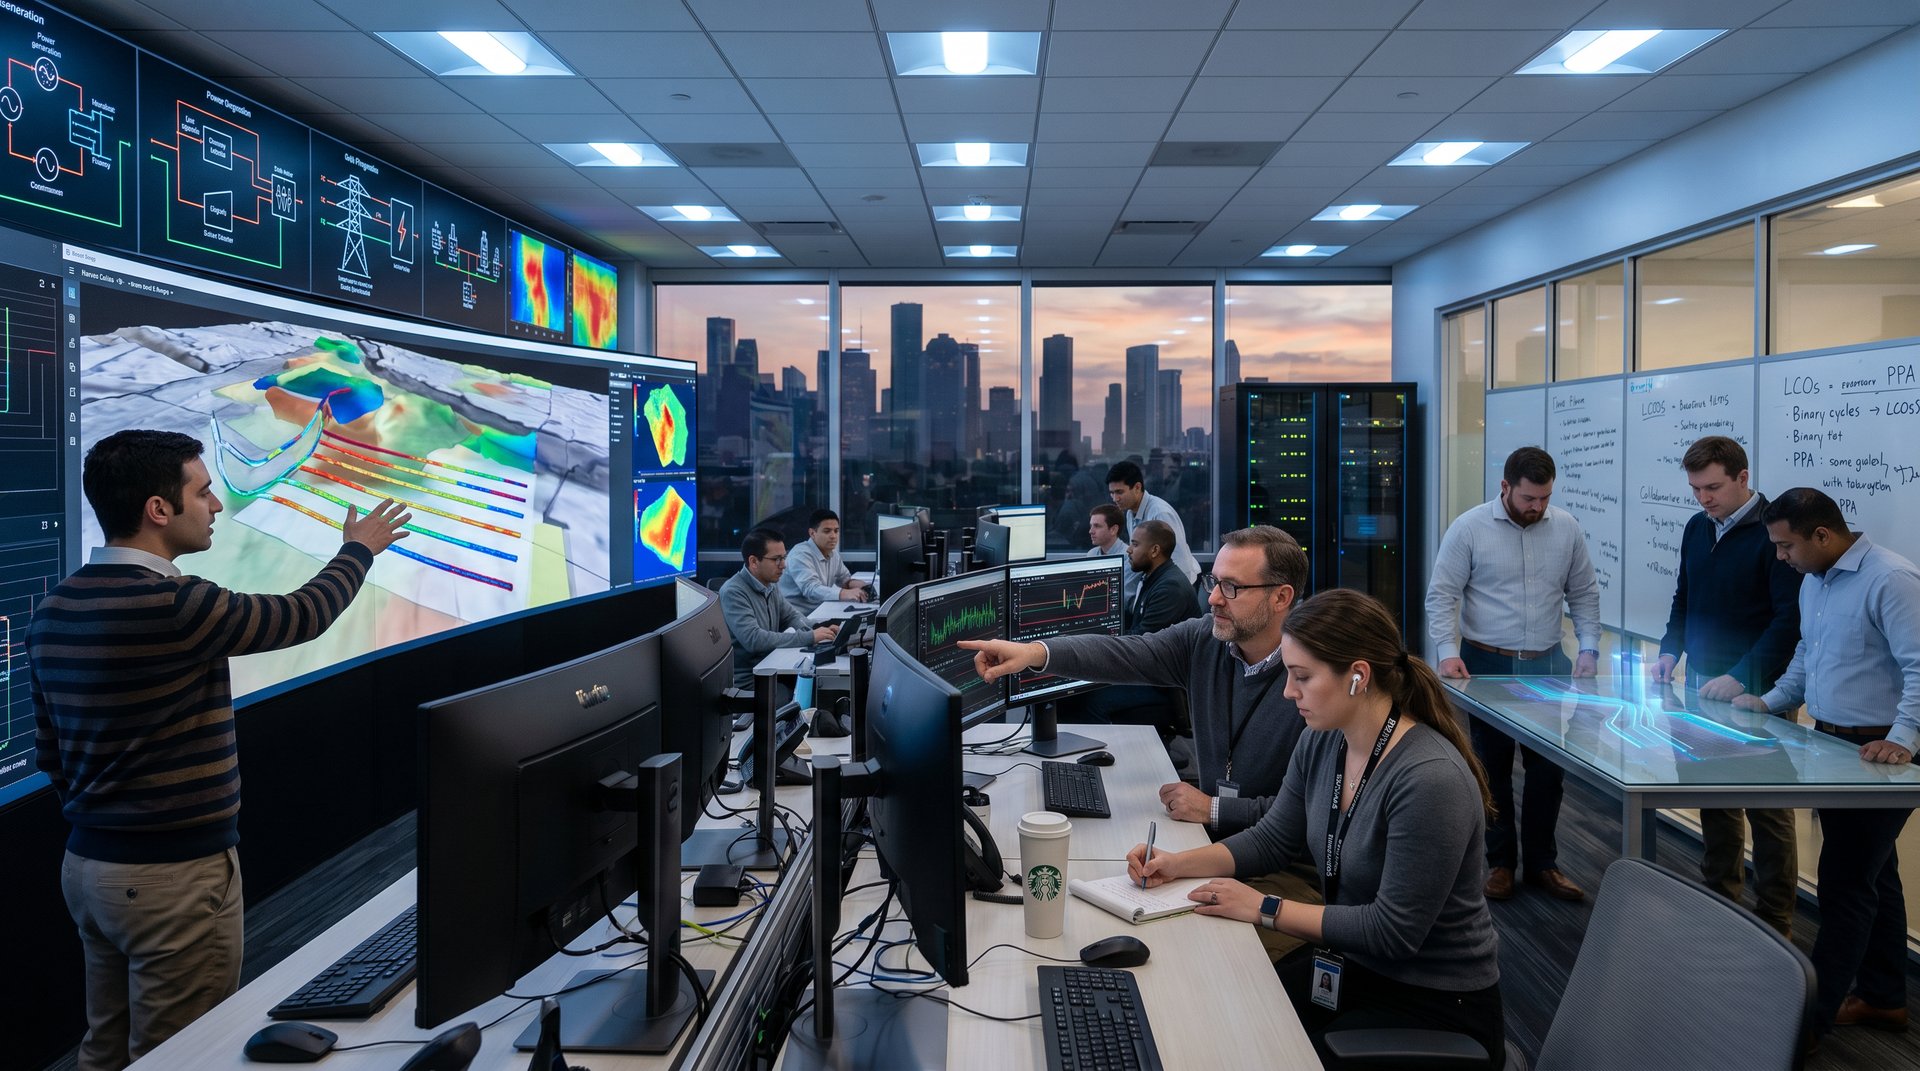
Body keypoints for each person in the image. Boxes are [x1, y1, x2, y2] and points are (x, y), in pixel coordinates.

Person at [29, 430, 411, 1071]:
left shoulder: (54, 608)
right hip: (173, 879)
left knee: (104, 1048)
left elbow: (51, 756)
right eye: (203, 492)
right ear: (158, 509)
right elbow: (302, 615)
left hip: (89, 870)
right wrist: (358, 550)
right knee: (181, 1055)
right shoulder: (175, 604)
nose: (217, 505)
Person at [1128, 589, 1504, 1069]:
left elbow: (1393, 932)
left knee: (1252, 1047)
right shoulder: (1322, 741)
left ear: (1358, 677)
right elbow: (1274, 839)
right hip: (1354, 964)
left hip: (1430, 1004)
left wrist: (1262, 907)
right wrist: (1175, 865)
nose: (1289, 692)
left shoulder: (1429, 778)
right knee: (1218, 1007)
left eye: (1302, 677)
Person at [1732, 487, 1920, 1038]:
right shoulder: (1815, 579)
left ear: (1822, 534)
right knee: (1873, 875)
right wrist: (1769, 701)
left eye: (1787, 546)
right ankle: (1884, 998)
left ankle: (1808, 1023)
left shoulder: (1890, 579)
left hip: (1882, 754)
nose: (1781, 558)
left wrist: (1904, 737)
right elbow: (1808, 656)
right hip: (1835, 748)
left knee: (1843, 884)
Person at [1426, 445, 1599, 903]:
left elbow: (1584, 593)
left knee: (1548, 772)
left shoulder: (1566, 529)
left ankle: (1544, 864)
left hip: (1548, 665)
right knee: (1492, 769)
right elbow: (1442, 596)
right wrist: (1446, 652)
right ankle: (1500, 864)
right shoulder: (1468, 529)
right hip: (1486, 664)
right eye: (1528, 499)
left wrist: (1590, 649)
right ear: (1505, 487)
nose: (1537, 507)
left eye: (1544, 498)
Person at [1650, 436, 1800, 935]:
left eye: (1713, 487)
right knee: (1712, 800)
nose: (1704, 498)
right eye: (1695, 489)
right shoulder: (1697, 527)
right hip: (1697, 686)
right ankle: (1721, 906)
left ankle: (1775, 921)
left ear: (1743, 478)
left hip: (1759, 695)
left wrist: (1741, 677)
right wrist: (1670, 650)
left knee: (1768, 812)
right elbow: (1683, 597)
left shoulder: (1774, 533)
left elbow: (1788, 622)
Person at [1075, 519, 1203, 728]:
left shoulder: (1169, 588)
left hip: (1166, 686)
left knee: (1089, 699)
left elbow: (1141, 647)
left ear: (1154, 550)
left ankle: (1105, 757)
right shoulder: (1153, 577)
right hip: (1155, 673)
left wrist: (1098, 644)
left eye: (1135, 544)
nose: (1128, 551)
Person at [719, 527, 839, 687]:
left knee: (820, 682)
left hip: (774, 667)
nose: (783, 565)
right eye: (776, 559)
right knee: (816, 688)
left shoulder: (769, 584)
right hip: (752, 680)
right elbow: (754, 639)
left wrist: (820, 629)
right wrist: (810, 636)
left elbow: (790, 616)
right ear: (753, 561)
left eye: (784, 557)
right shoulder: (733, 592)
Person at [1107, 459, 1199, 587]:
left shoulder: (1160, 513)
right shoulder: (1130, 513)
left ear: (1137, 487)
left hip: (1178, 585)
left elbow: (1179, 558)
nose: (1115, 498)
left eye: (1119, 492)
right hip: (1158, 581)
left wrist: (1174, 592)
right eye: (1112, 493)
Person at [779, 508, 867, 616]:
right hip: (798, 618)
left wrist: (859, 585)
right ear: (812, 533)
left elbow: (843, 579)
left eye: (836, 530)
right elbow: (810, 589)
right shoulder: (800, 555)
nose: (833, 536)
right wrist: (844, 593)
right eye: (827, 531)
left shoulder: (832, 553)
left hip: (820, 610)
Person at [1087, 503, 1136, 605]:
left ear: (1113, 529)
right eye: (1091, 526)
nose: (1091, 531)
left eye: (1097, 526)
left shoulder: (1129, 557)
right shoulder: (1092, 554)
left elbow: (1123, 598)